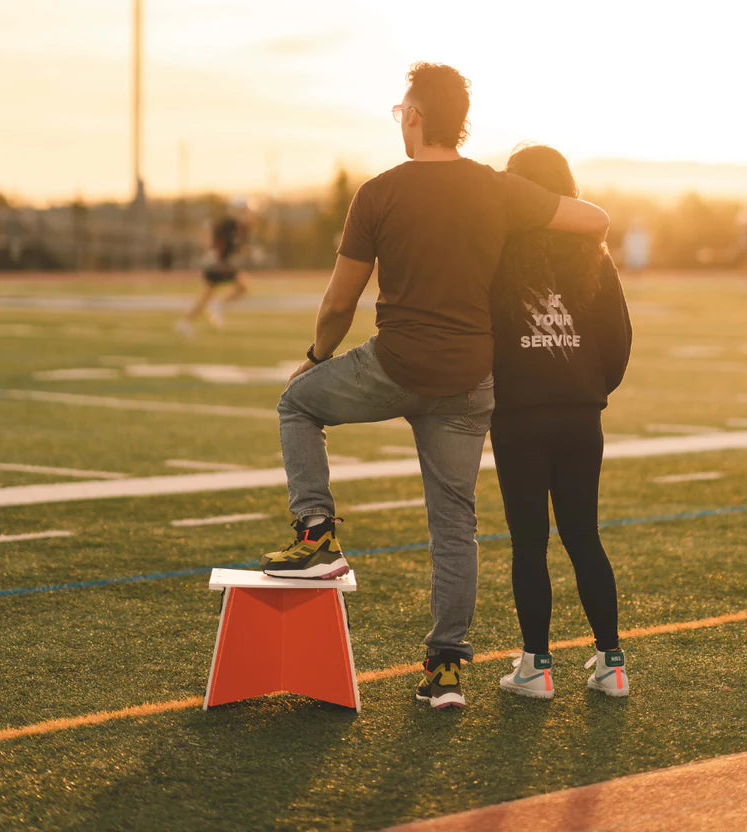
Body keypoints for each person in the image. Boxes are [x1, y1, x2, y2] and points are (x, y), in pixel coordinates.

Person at [260, 64, 609, 709]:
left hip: (396, 366)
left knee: (295, 404)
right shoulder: (497, 189)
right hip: (471, 381)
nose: (399, 122)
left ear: (416, 117)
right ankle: (446, 672)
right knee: (454, 527)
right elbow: (593, 220)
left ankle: (317, 533)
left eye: (400, 113)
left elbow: (340, 302)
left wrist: (316, 357)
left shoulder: (380, 192)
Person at [489, 144, 632, 700]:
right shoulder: (591, 249)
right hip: (579, 414)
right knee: (583, 536)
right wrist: (590, 391)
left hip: (519, 414)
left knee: (529, 544)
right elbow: (618, 340)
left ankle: (536, 668)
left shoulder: (500, 249)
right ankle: (612, 663)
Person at [176, 214, 249, 336]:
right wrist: (218, 257)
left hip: (224, 264)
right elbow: (215, 239)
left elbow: (238, 246)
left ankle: (188, 321)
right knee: (211, 294)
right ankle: (188, 321)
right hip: (217, 264)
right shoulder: (228, 224)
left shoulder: (243, 228)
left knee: (238, 288)